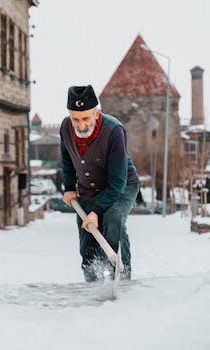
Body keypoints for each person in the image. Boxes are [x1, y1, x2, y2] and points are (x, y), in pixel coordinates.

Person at [60, 85, 139, 282]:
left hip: (121, 186)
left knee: (112, 220)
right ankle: (92, 280)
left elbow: (118, 182)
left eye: (86, 118)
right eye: (75, 119)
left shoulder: (114, 131)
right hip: (88, 190)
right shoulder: (65, 127)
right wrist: (69, 187)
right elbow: (67, 158)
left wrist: (96, 212)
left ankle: (122, 275)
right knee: (87, 239)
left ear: (97, 113)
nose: (81, 125)